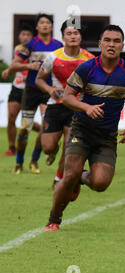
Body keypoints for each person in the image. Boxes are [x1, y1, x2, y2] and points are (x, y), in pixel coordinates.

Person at [44, 25, 125, 231]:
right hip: (81, 129)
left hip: (106, 136)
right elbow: (68, 97)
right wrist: (86, 107)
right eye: (107, 40)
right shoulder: (86, 68)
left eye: (116, 41)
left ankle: (80, 176)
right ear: (100, 44)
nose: (111, 44)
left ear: (123, 45)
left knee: (100, 184)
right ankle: (54, 219)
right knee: (69, 174)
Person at [35, 21, 94, 188]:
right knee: (47, 147)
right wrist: (49, 89)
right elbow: (38, 79)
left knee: (69, 145)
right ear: (62, 37)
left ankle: (58, 178)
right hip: (55, 106)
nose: (73, 37)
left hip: (76, 108)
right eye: (69, 33)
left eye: (76, 33)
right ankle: (51, 152)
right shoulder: (53, 57)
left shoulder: (89, 59)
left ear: (81, 37)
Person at [9, 13, 63, 174]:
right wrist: (28, 67)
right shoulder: (30, 44)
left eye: (48, 22)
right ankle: (19, 162)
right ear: (37, 27)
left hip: (49, 91)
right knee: (25, 128)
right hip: (31, 90)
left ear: (51, 26)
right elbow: (14, 64)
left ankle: (34, 161)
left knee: (45, 128)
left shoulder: (59, 45)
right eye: (42, 22)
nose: (45, 25)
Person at [1, 25, 35, 157]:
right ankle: (11, 148)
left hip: (31, 89)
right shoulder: (18, 49)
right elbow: (16, 64)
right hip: (17, 88)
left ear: (32, 37)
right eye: (23, 34)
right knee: (11, 118)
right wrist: (8, 70)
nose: (25, 37)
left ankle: (43, 131)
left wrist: (30, 75)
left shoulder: (35, 49)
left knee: (27, 122)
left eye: (28, 35)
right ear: (19, 36)